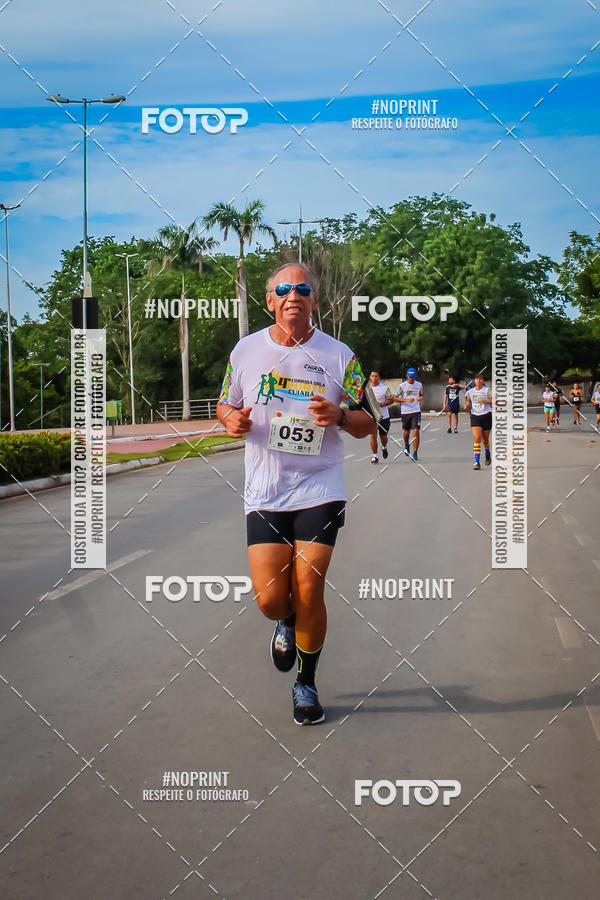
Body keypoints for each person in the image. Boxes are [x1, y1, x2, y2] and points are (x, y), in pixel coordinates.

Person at [217, 262, 372, 726]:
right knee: (270, 599)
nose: (293, 295)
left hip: (320, 485)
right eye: (283, 289)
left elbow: (370, 423)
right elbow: (226, 400)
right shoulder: (245, 351)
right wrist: (230, 420)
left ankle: (305, 684)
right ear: (270, 301)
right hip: (264, 489)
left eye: (302, 289)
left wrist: (341, 416)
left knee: (309, 587)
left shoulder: (340, 356)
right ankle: (284, 622)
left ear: (314, 301)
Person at [465, 374, 493, 469]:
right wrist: (467, 405)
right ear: (475, 381)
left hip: (486, 416)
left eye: (480, 379)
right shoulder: (470, 391)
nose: (478, 381)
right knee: (477, 438)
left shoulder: (487, 390)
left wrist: (486, 401)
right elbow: (468, 400)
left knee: (485, 440)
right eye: (477, 379)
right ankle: (476, 462)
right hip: (475, 416)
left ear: (482, 381)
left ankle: (487, 453)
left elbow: (495, 400)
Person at [395, 367, 423, 460]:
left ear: (415, 376)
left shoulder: (419, 385)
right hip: (405, 411)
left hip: (416, 411)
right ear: (407, 376)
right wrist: (406, 400)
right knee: (406, 431)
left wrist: (420, 398)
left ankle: (415, 452)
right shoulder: (401, 386)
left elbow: (421, 395)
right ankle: (407, 445)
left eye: (413, 377)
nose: (411, 379)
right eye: (409, 377)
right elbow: (395, 398)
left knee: (416, 431)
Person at [368, 371, 393, 464]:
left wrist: (382, 404)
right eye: (373, 376)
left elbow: (391, 400)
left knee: (383, 437)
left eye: (376, 376)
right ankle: (375, 456)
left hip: (384, 416)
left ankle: (384, 447)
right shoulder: (366, 388)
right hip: (372, 417)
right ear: (370, 377)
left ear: (379, 377)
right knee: (373, 436)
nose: (374, 378)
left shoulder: (384, 388)